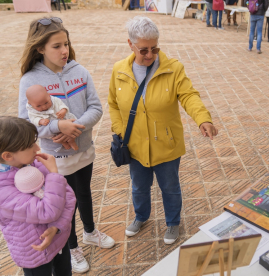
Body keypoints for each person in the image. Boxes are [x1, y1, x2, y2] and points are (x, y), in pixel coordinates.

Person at [108, 16, 218, 245]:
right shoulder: (119, 70)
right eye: (143, 50)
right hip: (135, 144)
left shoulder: (173, 68)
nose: (150, 55)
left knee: (170, 187)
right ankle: (140, 217)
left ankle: (173, 222)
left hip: (166, 143)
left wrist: (202, 119)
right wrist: (120, 131)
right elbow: (113, 104)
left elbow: (189, 95)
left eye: (154, 48)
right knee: (139, 187)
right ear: (130, 44)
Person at [18, 17, 115, 273]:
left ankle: (90, 232)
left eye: (66, 44)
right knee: (64, 202)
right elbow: (24, 123)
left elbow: (96, 108)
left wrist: (76, 127)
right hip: (54, 159)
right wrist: (57, 128)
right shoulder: (29, 80)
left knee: (84, 193)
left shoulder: (80, 72)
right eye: (57, 46)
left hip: (84, 150)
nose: (64, 51)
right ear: (39, 48)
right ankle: (71, 247)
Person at [0, 116, 76, 276]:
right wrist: (54, 174)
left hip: (58, 238)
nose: (37, 148)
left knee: (65, 272)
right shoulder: (0, 189)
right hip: (34, 253)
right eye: (29, 146)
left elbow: (69, 195)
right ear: (8, 156)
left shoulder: (33, 163)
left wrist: (57, 227)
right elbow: (46, 211)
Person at [26, 84, 78, 151]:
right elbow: (33, 119)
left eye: (46, 103)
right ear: (30, 103)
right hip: (50, 127)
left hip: (63, 120)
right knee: (54, 137)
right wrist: (40, 121)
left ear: (48, 95)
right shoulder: (31, 110)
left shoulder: (55, 100)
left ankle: (72, 141)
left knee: (71, 131)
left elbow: (62, 105)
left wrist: (63, 111)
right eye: (38, 106)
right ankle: (63, 142)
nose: (44, 107)